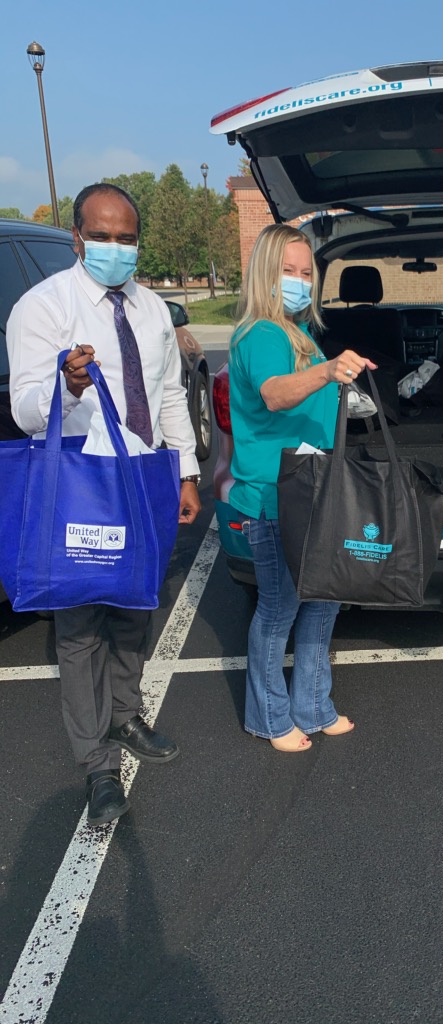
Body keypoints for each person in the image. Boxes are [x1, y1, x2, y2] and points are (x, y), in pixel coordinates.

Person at [7, 183, 202, 825]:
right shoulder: (44, 305)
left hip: (142, 473)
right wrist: (64, 385)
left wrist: (186, 471)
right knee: (80, 623)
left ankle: (125, 717)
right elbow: (25, 409)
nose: (117, 248)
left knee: (134, 606)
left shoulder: (150, 310)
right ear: (78, 238)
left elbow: (170, 393)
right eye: (104, 236)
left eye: (127, 238)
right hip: (79, 482)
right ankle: (95, 763)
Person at [228, 223, 375, 752]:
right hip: (275, 497)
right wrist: (329, 370)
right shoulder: (264, 334)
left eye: (305, 272)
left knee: (322, 601)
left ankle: (313, 705)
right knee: (281, 608)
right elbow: (273, 395)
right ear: (263, 275)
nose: (298, 281)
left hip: (311, 490)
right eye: (286, 272)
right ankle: (269, 717)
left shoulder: (294, 331)